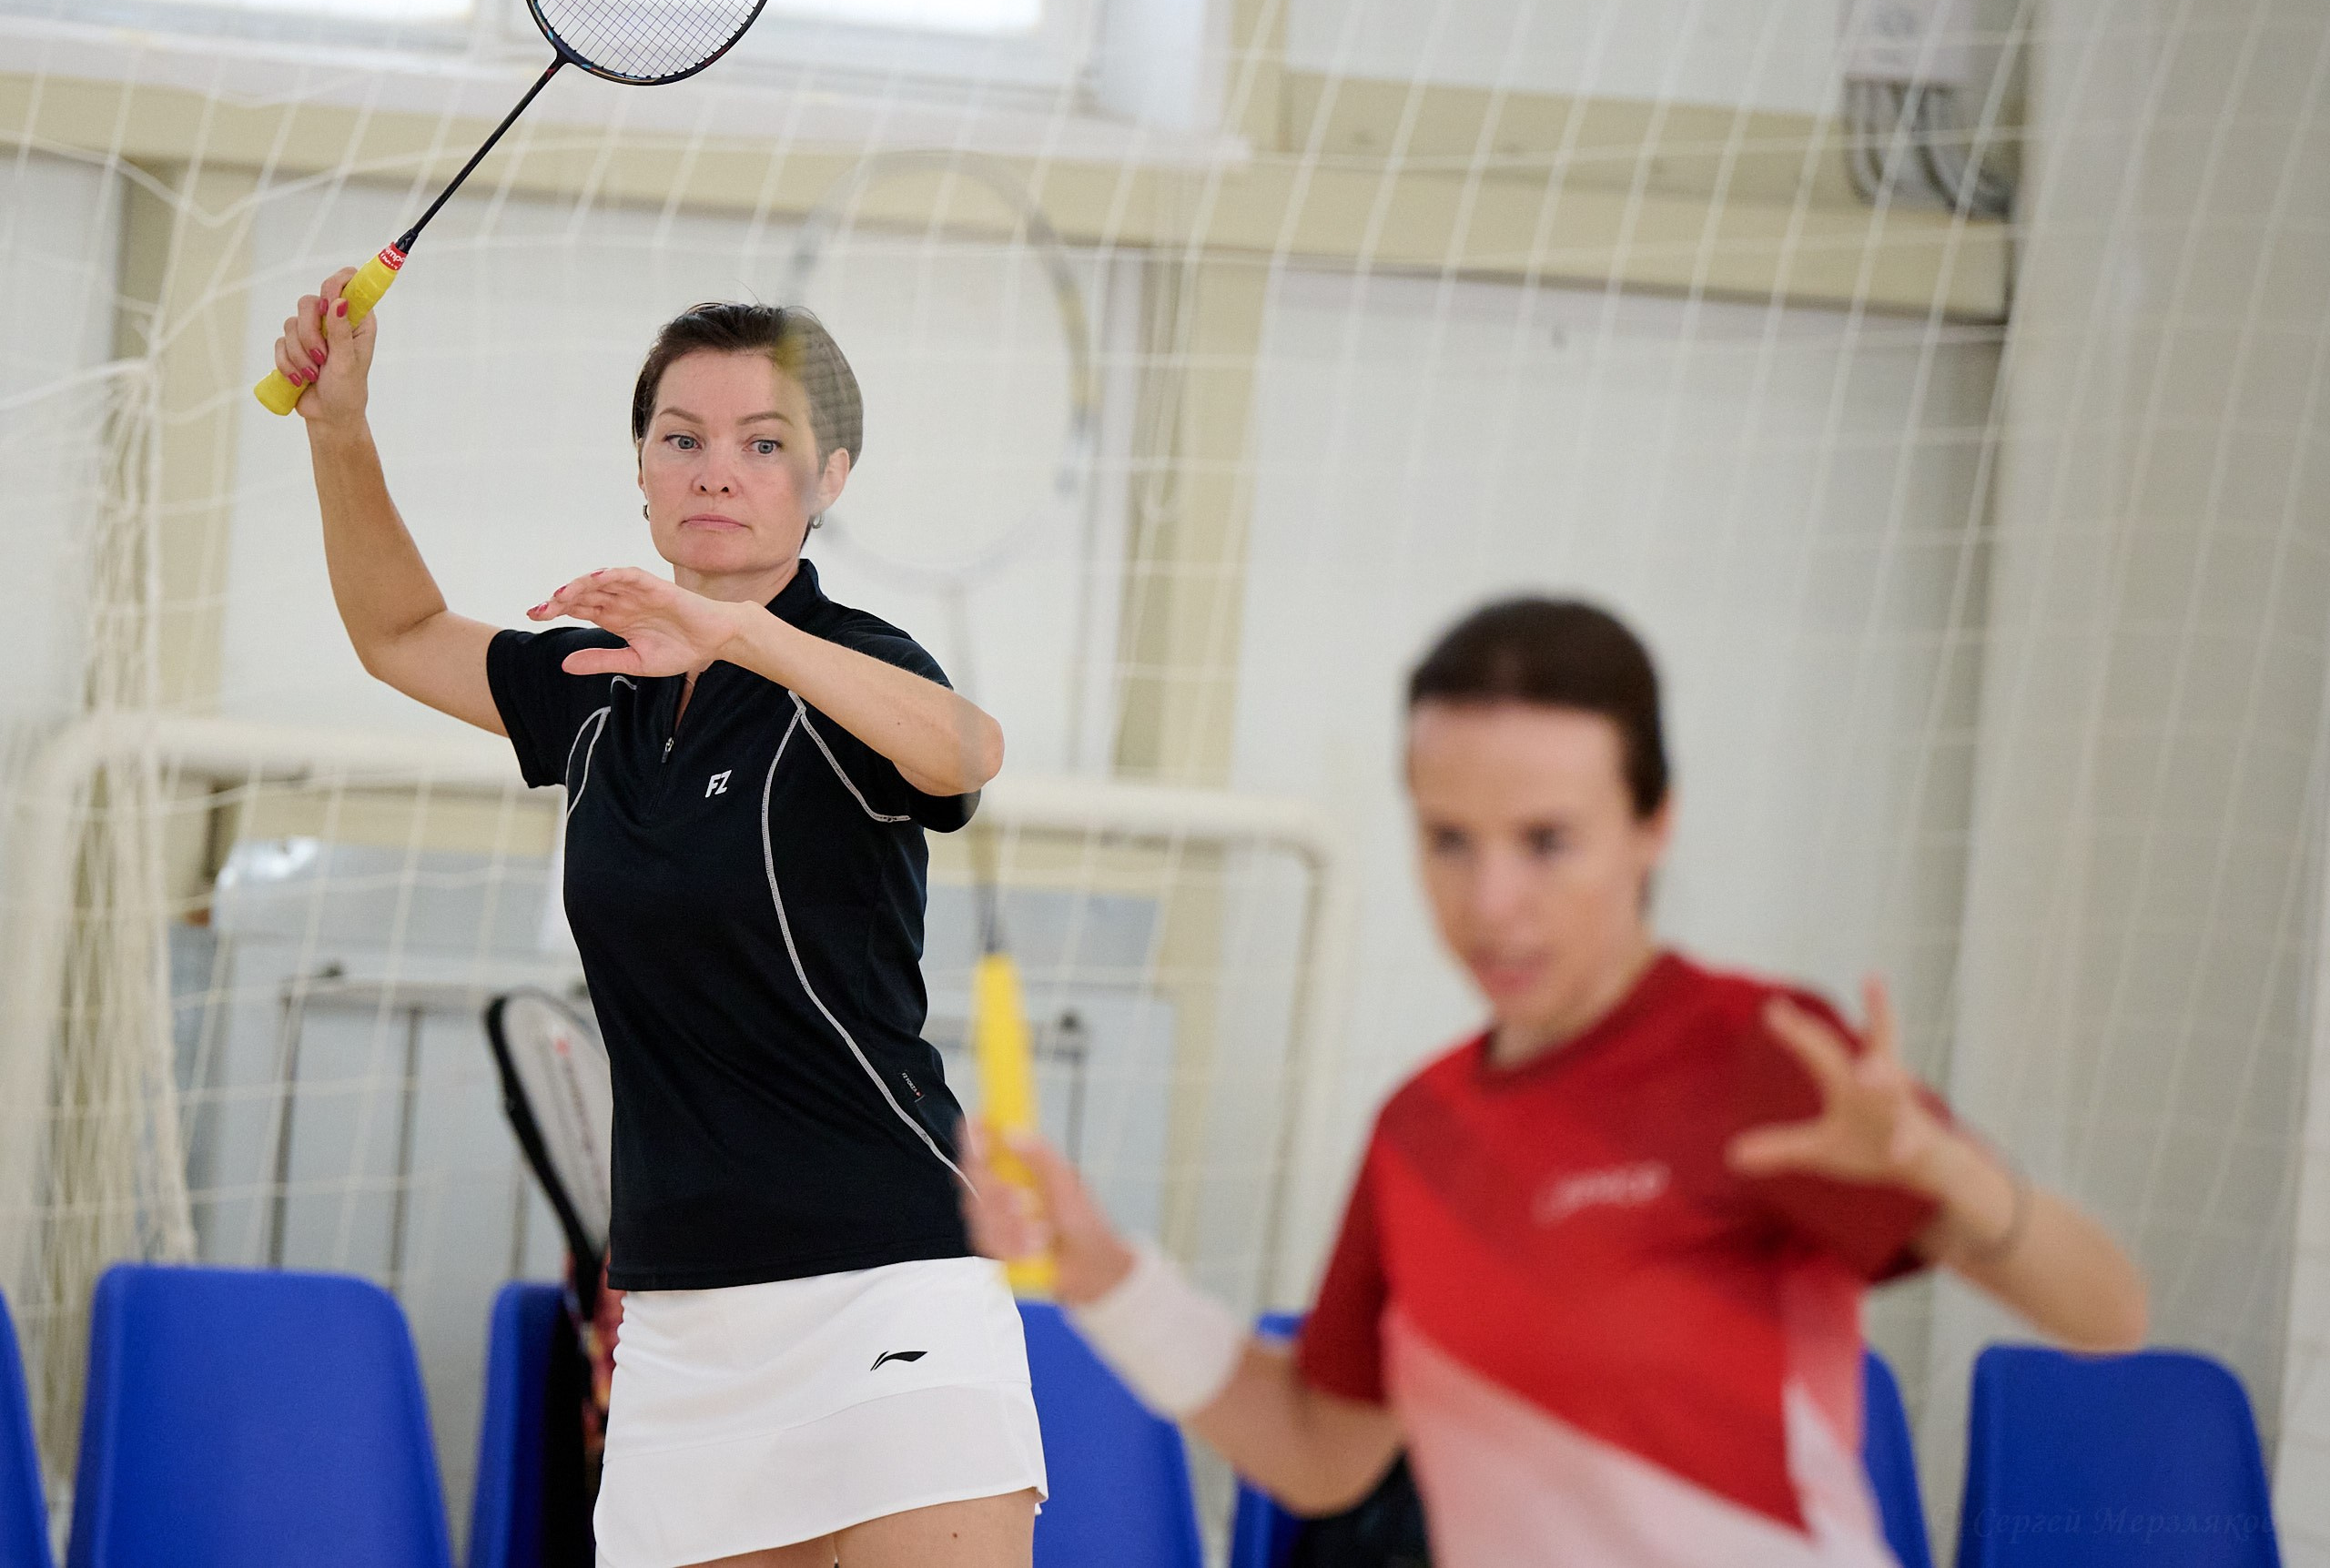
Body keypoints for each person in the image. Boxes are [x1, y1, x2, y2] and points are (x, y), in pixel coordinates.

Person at [963, 597, 2147, 1568]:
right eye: (1449, 839)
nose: (1491, 903)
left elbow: (2109, 1315)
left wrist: (1951, 1175)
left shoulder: (1765, 1057)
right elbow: (1321, 1449)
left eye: (1546, 841)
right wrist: (1100, 1269)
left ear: (1653, 825)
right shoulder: (1420, 1130)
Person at [273, 274, 1044, 1568]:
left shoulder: (849, 665)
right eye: (682, 437)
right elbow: (400, 632)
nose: (717, 469)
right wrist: (338, 425)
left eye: (765, 444)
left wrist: (739, 636)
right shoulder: (597, 690)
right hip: (683, 1321)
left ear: (830, 479)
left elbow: (967, 752)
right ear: (641, 469)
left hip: (890, 1283)